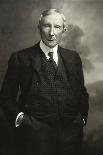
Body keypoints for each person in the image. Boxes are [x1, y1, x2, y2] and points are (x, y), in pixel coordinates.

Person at [0, 9, 89, 155]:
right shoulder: (20, 58)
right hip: (34, 139)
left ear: (64, 30)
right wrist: (23, 120)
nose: (51, 32)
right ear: (39, 27)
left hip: (71, 137)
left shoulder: (73, 58)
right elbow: (6, 96)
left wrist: (81, 119)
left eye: (57, 27)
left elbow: (81, 93)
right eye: (47, 26)